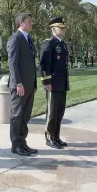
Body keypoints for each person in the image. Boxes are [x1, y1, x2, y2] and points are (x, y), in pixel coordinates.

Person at [7, 13, 37, 156]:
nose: (31, 23)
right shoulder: (15, 39)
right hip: (19, 86)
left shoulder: (28, 39)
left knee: (25, 116)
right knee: (17, 116)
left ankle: (23, 143)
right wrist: (18, 83)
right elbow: (12, 64)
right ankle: (15, 145)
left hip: (30, 85)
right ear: (21, 23)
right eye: (29, 21)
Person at [39, 17, 69, 149]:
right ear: (53, 29)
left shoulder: (62, 44)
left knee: (59, 112)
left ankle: (56, 136)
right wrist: (46, 81)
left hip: (62, 83)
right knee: (52, 112)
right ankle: (49, 138)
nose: (63, 30)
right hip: (53, 83)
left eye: (63, 28)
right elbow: (44, 64)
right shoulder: (49, 43)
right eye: (60, 27)